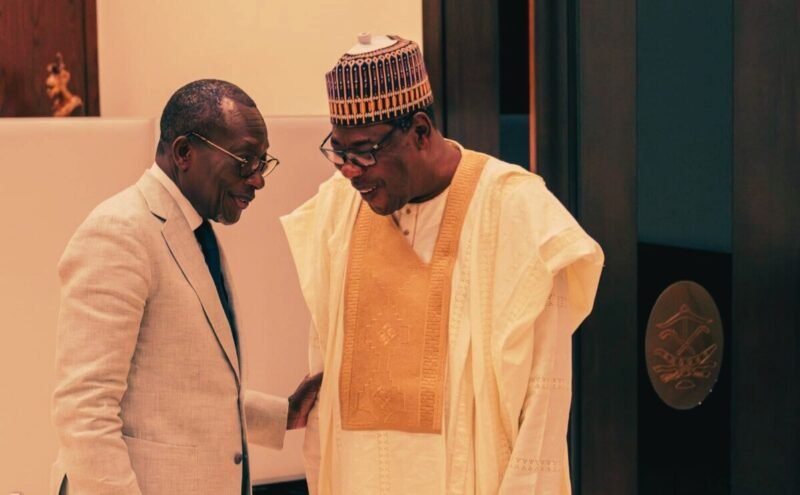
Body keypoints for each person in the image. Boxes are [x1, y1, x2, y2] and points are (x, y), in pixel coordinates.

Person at [281, 35, 604, 494]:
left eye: (365, 152)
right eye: (339, 153)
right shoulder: (337, 209)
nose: (350, 170)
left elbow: (544, 399)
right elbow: (325, 382)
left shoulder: (516, 210)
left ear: (419, 131)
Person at [51, 79, 321, 495]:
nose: (258, 179)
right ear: (183, 153)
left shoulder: (193, 229)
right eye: (245, 160)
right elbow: (84, 411)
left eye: (262, 162)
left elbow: (176, 391)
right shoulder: (119, 231)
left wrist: (282, 414)